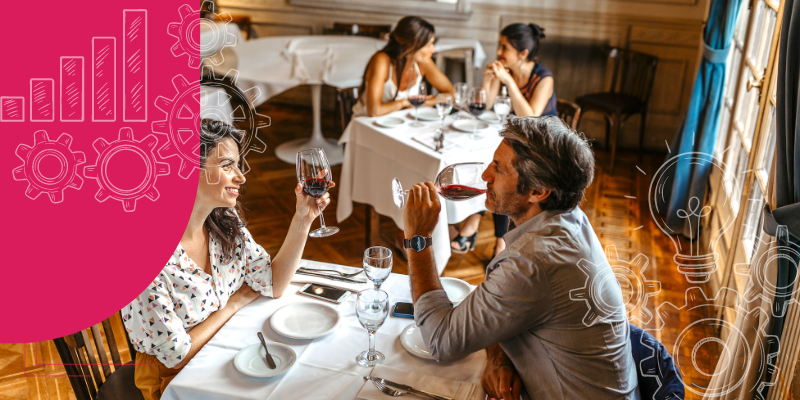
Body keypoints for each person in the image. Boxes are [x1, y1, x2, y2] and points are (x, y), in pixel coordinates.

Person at [403, 116, 637, 399]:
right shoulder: (568, 220)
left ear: (538, 191)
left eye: (499, 170)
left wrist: (418, 239)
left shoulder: (533, 261)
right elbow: (506, 309)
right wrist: (498, 356)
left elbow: (440, 341)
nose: (485, 176)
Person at [121, 120, 333, 400]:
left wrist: (303, 219)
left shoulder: (223, 222)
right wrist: (234, 304)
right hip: (177, 381)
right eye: (227, 166)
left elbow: (272, 283)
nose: (241, 177)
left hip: (227, 349)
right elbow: (177, 357)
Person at [451, 23, 556, 257]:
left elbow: (530, 117)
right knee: (482, 161)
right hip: (515, 141)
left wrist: (507, 82)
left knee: (502, 173)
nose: (499, 52)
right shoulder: (505, 71)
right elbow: (485, 105)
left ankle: (495, 236)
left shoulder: (543, 78)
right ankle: (475, 220)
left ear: (523, 54)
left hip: (541, 148)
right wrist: (489, 80)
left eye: (504, 47)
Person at [352, 16, 454, 117]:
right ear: (411, 45)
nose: (433, 50)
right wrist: (406, 102)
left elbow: (452, 94)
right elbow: (374, 111)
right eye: (428, 45)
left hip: (399, 124)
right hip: (365, 125)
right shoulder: (382, 60)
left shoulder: (423, 62)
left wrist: (423, 102)